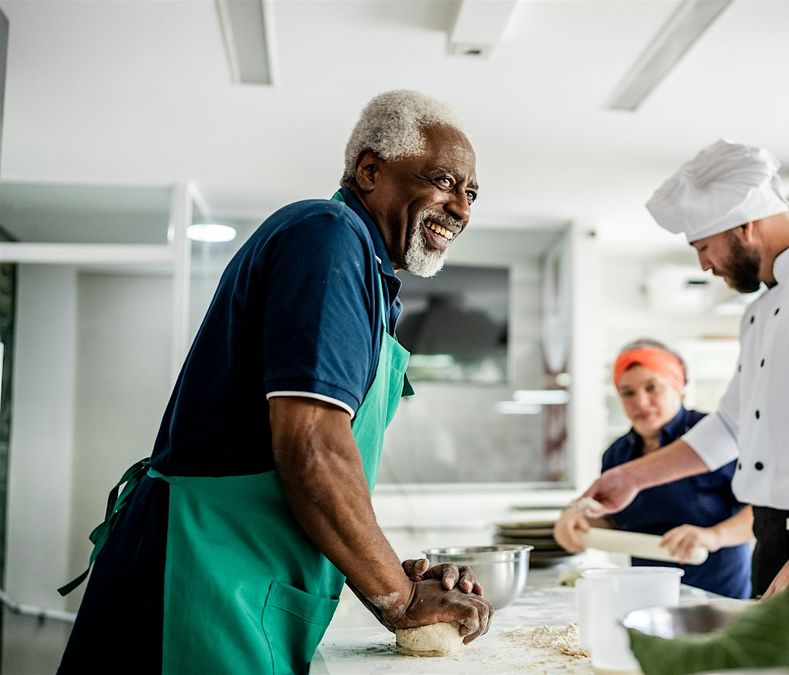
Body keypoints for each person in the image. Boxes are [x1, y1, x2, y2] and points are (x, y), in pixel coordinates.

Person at [58, 90, 494, 673]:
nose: (460, 207)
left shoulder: (371, 280)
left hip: (248, 577)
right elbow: (313, 448)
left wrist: (395, 572)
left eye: (470, 193)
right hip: (203, 576)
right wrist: (403, 597)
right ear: (369, 170)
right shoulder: (329, 235)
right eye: (444, 180)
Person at [577, 140, 789, 598]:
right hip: (773, 532)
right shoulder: (757, 314)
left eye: (704, 246)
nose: (704, 264)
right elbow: (730, 427)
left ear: (745, 227)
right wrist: (633, 476)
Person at [554, 339, 754, 599]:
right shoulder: (617, 454)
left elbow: (761, 512)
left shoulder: (718, 437)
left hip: (718, 589)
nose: (641, 401)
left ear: (678, 386)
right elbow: (613, 520)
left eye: (652, 387)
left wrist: (714, 536)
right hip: (648, 592)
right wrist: (579, 519)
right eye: (628, 392)